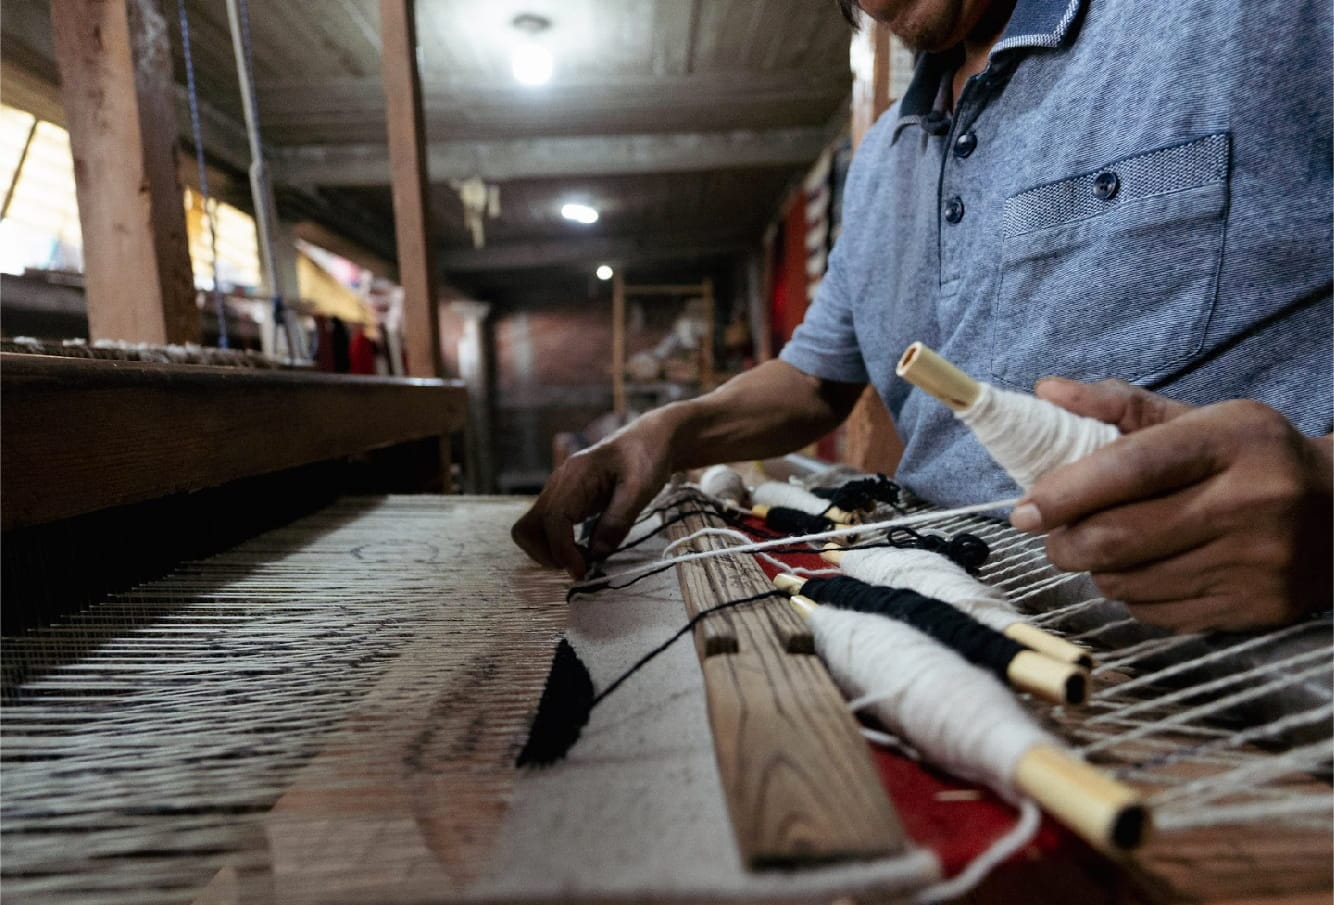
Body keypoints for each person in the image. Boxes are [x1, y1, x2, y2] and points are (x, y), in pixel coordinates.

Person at [514, 0, 1332, 633]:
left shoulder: (1244, 22)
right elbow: (812, 377)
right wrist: (668, 431)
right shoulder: (882, 159)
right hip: (948, 616)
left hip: (1242, 661)